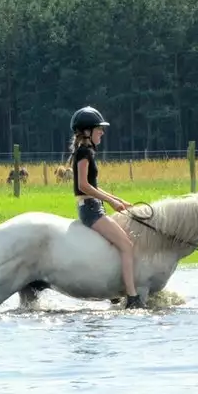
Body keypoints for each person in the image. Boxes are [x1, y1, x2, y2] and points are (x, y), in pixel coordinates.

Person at [69, 106, 142, 308]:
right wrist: (110, 201)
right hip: (91, 210)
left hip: (94, 207)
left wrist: (117, 199)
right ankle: (132, 297)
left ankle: (114, 290)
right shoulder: (84, 152)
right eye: (98, 129)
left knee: (122, 239)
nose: (102, 132)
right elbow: (83, 186)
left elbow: (93, 186)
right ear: (86, 131)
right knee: (127, 246)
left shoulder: (86, 151)